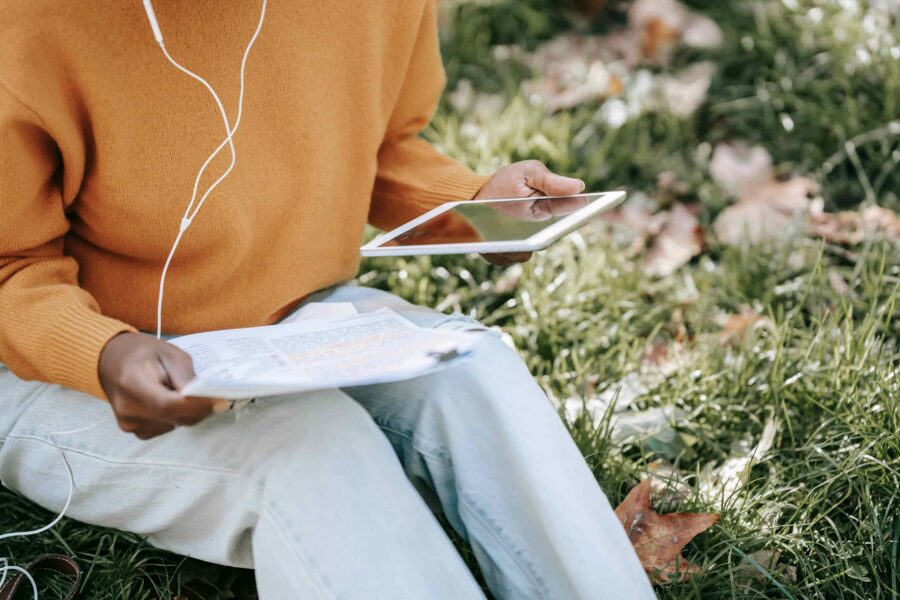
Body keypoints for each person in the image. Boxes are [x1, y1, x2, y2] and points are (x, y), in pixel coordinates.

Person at [0, 0, 655, 598]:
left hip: (281, 324)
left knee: (473, 368)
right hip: (56, 369)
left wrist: (475, 207)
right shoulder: (34, 24)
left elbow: (379, 145)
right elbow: (9, 265)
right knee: (314, 449)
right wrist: (104, 354)